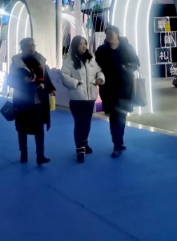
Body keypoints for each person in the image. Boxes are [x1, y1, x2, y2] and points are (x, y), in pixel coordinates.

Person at [8, 38, 55, 165]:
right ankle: (23, 153)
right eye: (28, 46)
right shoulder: (16, 63)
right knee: (22, 128)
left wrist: (51, 89)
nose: (32, 48)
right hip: (22, 101)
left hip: (38, 99)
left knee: (39, 128)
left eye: (33, 45)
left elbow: (46, 77)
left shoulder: (40, 60)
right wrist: (23, 81)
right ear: (22, 48)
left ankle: (40, 155)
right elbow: (10, 81)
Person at [95, 26, 139, 158]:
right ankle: (117, 145)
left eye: (111, 33)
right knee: (114, 117)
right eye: (107, 33)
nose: (109, 35)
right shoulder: (101, 50)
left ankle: (120, 139)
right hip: (109, 89)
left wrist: (127, 68)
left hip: (125, 88)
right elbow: (96, 67)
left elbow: (136, 62)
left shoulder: (126, 47)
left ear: (117, 34)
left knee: (122, 116)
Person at [62, 35, 105, 163]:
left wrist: (100, 78)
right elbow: (64, 76)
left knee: (87, 123)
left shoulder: (91, 58)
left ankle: (85, 143)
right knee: (79, 124)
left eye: (85, 43)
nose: (84, 46)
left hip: (90, 97)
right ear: (75, 45)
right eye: (81, 44)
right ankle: (80, 149)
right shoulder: (69, 60)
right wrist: (76, 83)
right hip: (77, 98)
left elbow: (99, 71)